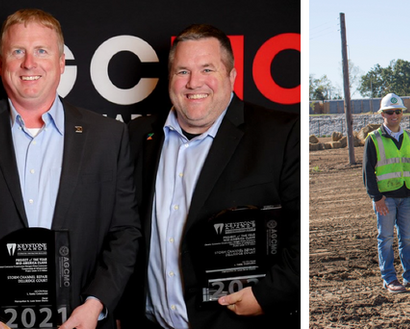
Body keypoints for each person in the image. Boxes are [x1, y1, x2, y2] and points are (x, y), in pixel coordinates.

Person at [0, 9, 140, 329]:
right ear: (0, 66)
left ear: (61, 64)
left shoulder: (108, 136)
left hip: (78, 321)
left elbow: (125, 233)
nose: (29, 63)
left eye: (41, 50)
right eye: (17, 52)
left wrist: (95, 305)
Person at [117, 24, 299, 328]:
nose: (194, 83)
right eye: (182, 72)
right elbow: (121, 231)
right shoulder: (135, 137)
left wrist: (267, 296)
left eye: (207, 70)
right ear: (171, 79)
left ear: (231, 76)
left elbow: (303, 235)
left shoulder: (279, 135)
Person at [364, 93, 410, 293]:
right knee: (385, 238)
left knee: (408, 238)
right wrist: (376, 198)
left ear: (402, 113)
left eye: (398, 111)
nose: (394, 115)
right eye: (389, 112)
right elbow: (368, 170)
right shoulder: (373, 138)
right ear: (382, 114)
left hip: (406, 197)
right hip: (386, 198)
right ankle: (389, 278)